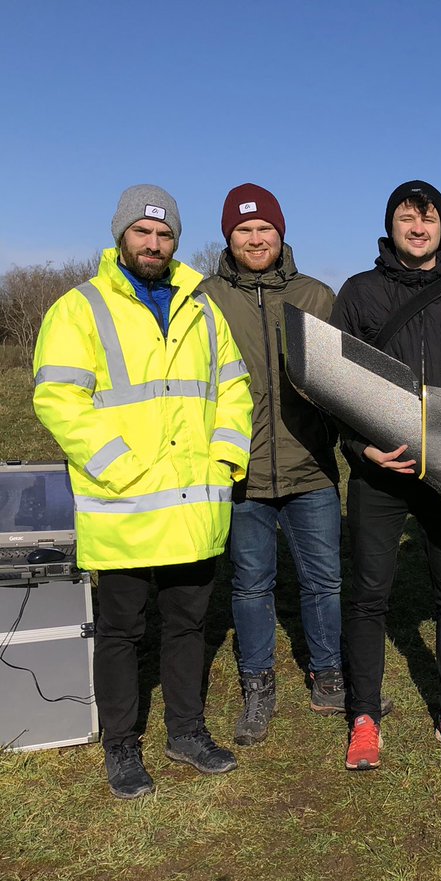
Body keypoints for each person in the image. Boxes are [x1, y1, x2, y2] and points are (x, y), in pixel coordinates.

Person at [32, 185, 252, 798]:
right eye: (142, 232)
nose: (153, 244)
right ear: (120, 235)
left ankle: (185, 732)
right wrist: (119, 465)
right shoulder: (79, 308)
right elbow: (57, 397)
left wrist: (227, 456)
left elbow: (234, 390)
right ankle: (122, 746)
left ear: (176, 240)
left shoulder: (203, 310)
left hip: (195, 506)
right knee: (122, 632)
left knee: (189, 624)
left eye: (164, 235)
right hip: (124, 506)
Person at [330, 180, 441, 769]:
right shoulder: (357, 293)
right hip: (380, 470)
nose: (418, 227)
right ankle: (364, 717)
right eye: (407, 218)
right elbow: (337, 386)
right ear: (392, 227)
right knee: (369, 596)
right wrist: (361, 448)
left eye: (427, 219)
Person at [203, 183, 369, 746]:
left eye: (265, 230)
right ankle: (258, 682)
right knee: (251, 585)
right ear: (229, 236)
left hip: (310, 467)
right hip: (240, 470)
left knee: (324, 579)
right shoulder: (204, 298)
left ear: (281, 235)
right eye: (244, 230)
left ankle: (327, 675)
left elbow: (345, 383)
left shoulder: (317, 297)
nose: (256, 239)